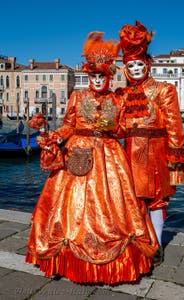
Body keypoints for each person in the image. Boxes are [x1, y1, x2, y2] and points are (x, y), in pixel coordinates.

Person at [26, 31, 159, 284]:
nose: (98, 80)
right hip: (78, 153)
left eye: (102, 76)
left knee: (118, 207)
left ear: (109, 77)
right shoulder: (78, 97)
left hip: (110, 157)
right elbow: (68, 126)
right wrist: (53, 135)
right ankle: (65, 260)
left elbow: (121, 130)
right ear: (89, 76)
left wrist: (110, 127)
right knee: (69, 207)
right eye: (94, 76)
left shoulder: (117, 98)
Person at [118, 20, 184, 265]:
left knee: (157, 199)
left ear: (147, 65)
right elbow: (118, 127)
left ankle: (157, 243)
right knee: (133, 199)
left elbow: (174, 124)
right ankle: (139, 240)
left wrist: (175, 157)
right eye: (132, 65)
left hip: (156, 154)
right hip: (129, 154)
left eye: (140, 64)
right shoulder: (123, 95)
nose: (137, 68)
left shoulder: (164, 90)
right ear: (126, 68)